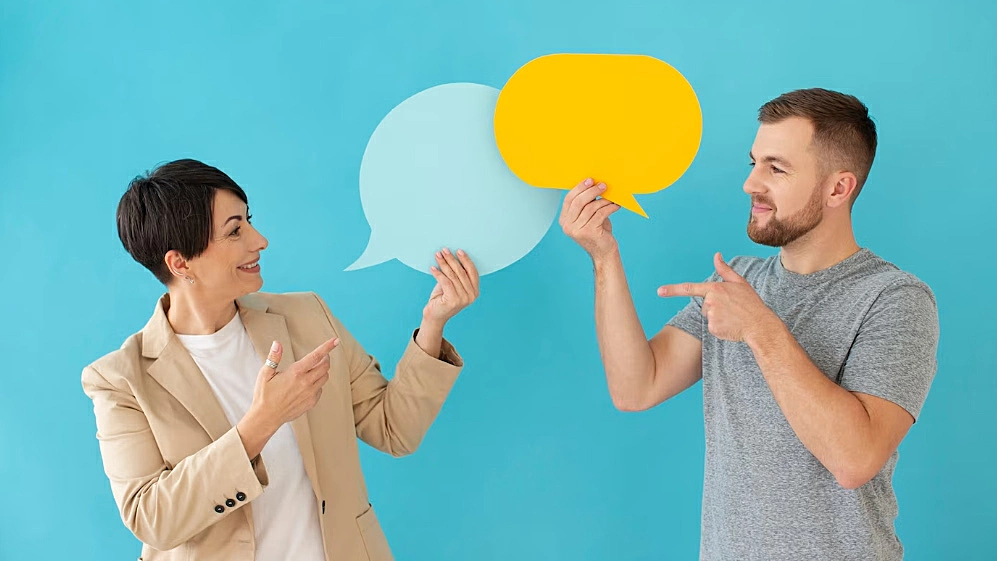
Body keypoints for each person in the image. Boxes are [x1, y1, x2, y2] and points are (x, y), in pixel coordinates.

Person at [559, 88, 939, 560]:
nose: (750, 183)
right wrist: (603, 257)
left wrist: (760, 328)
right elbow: (637, 387)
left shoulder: (894, 298)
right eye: (754, 162)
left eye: (776, 168)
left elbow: (855, 460)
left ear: (839, 188)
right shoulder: (739, 282)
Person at [81, 158, 479, 561]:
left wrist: (433, 324)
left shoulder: (307, 316)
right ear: (180, 263)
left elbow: (395, 429)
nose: (259, 240)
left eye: (249, 221)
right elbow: (152, 518)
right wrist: (263, 421)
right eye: (235, 231)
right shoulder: (120, 380)